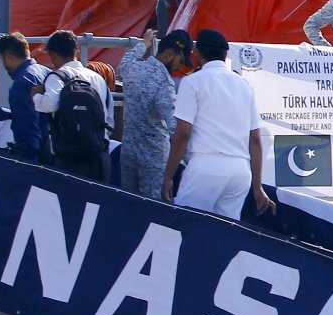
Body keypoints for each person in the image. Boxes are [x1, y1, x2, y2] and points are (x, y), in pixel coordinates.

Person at [161, 29, 273, 219]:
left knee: (184, 228)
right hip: (240, 171)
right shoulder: (245, 85)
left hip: (205, 166)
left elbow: (182, 135)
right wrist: (257, 186)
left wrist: (167, 177)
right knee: (223, 239)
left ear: (197, 54)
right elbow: (255, 139)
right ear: (225, 54)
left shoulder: (192, 82)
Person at [117, 28, 191, 198]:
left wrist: (144, 44)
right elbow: (175, 128)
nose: (181, 67)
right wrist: (191, 161)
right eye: (181, 61)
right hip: (154, 160)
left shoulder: (132, 69)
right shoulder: (164, 83)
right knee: (155, 213)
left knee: (129, 206)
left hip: (128, 153)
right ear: (170, 54)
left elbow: (125, 62)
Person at [31, 29, 113, 180]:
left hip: (68, 158)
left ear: (53, 55)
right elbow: (109, 118)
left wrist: (36, 96)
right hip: (98, 157)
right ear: (76, 51)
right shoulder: (97, 78)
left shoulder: (56, 77)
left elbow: (49, 105)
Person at [0, 32, 51, 159]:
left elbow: (27, 130)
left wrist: (27, 165)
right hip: (56, 153)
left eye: (2, 59)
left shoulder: (21, 84)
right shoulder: (47, 73)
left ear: (8, 56)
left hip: (39, 160)